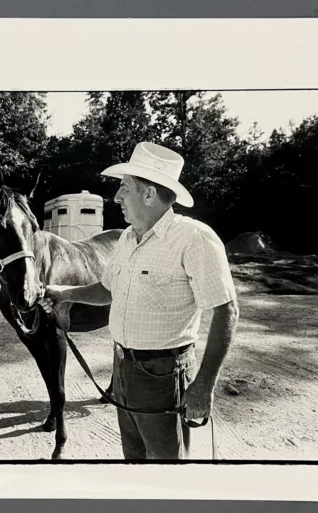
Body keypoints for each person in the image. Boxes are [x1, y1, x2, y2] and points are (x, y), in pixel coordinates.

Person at [37, 141, 240, 459]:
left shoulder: (195, 239)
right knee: (134, 458)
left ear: (148, 195)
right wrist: (64, 294)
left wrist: (203, 384)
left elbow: (227, 309)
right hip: (122, 369)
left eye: (124, 188)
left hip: (163, 374)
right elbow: (108, 290)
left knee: (165, 468)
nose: (116, 197)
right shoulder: (127, 238)